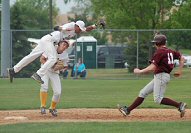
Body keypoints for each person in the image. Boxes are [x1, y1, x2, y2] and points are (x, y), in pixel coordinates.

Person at [7, 20, 98, 84]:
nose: (81, 31)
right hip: (50, 40)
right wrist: (61, 27)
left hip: (47, 40)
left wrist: (95, 25)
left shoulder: (76, 30)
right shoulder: (71, 26)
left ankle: (14, 70)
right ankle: (38, 74)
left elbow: (86, 29)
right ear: (76, 26)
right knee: (53, 58)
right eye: (80, 29)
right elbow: (59, 28)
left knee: (31, 56)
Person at [118, 34, 187, 118]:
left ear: (158, 43)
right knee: (143, 92)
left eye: (155, 43)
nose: (154, 45)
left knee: (158, 99)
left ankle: (180, 105)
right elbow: (182, 58)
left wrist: (140, 71)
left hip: (161, 76)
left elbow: (153, 67)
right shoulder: (170, 51)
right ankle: (127, 110)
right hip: (160, 76)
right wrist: (180, 70)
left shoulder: (159, 52)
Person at [40, 40, 69, 117]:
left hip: (54, 73)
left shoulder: (65, 55)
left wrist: (62, 68)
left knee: (58, 92)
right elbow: (42, 59)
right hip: (45, 70)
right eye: (63, 44)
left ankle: (52, 108)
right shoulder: (51, 49)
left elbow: (65, 66)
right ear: (59, 44)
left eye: (66, 46)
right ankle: (43, 106)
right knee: (44, 86)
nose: (64, 46)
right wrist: (49, 65)